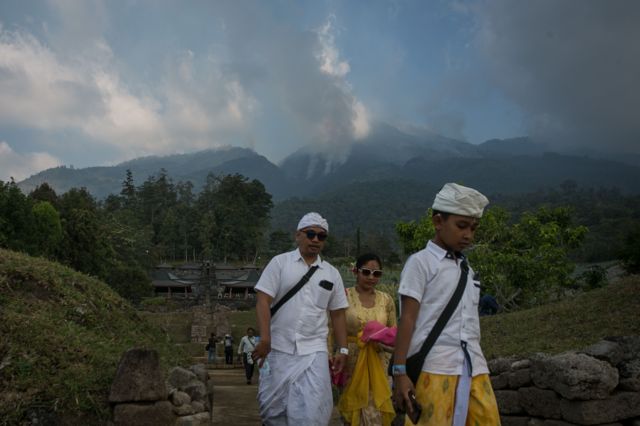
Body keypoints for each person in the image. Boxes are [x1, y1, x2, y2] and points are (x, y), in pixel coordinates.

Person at [392, 183, 501, 426]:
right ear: (438, 221)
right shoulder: (420, 263)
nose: (468, 235)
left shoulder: (467, 269)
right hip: (435, 366)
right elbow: (407, 319)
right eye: (461, 226)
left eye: (473, 228)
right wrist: (399, 373)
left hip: (474, 365)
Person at [252, 212, 349, 426]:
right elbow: (262, 300)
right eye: (310, 234)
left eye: (321, 236)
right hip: (278, 348)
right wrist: (265, 339)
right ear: (298, 235)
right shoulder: (279, 264)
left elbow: (338, 313)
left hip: (314, 351)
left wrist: (343, 349)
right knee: (272, 412)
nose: (315, 239)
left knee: (313, 412)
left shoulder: (331, 274)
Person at [337, 253, 397, 426]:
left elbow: (394, 336)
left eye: (376, 273)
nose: (371, 277)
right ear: (355, 271)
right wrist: (332, 355)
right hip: (350, 362)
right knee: (352, 411)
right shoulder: (343, 296)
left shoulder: (386, 300)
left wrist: (381, 343)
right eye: (366, 272)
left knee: (375, 411)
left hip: (379, 363)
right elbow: (331, 328)